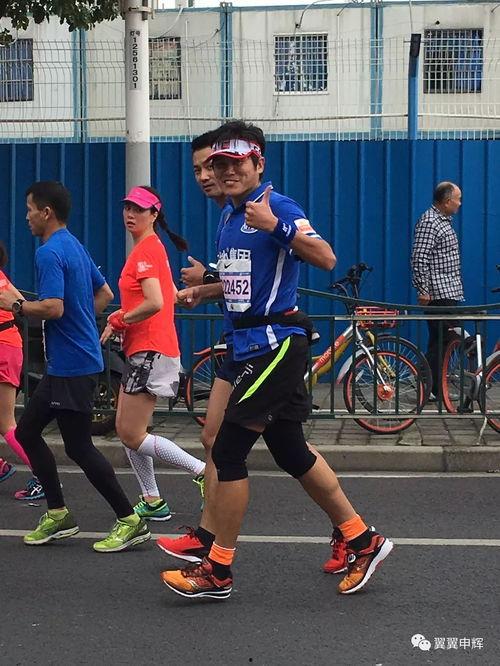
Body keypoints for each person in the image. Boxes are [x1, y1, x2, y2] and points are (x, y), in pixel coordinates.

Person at [160, 120, 393, 599]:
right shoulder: (230, 216)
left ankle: (217, 569)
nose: (224, 172)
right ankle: (361, 539)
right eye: (218, 164)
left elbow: (325, 257)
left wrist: (275, 226)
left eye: (235, 163)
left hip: (275, 344)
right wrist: (206, 290)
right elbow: (245, 284)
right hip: (250, 343)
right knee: (290, 451)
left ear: (258, 163)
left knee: (227, 452)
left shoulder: (276, 206)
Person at [0, 181, 150, 552]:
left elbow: (53, 307)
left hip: (71, 365)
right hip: (71, 363)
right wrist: (80, 322)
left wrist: (15, 306)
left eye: (30, 209)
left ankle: (130, 520)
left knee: (79, 447)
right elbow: (105, 294)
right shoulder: (74, 245)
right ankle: (58, 514)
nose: (27, 217)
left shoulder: (49, 252)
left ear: (46, 212)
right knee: (29, 432)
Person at [100, 185, 206, 521]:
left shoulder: (145, 251)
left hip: (150, 350)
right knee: (127, 430)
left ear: (154, 215)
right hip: (146, 349)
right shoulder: (153, 247)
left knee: (130, 433)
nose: (130, 214)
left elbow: (155, 302)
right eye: (127, 208)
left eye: (139, 209)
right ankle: (152, 499)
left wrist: (119, 319)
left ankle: (202, 472)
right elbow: (169, 295)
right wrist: (187, 296)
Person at [0, 241, 45, 498]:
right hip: (10, 345)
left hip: (3, 348)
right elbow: (21, 302)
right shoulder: (1, 276)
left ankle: (44, 476)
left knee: (6, 423)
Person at [411, 182, 464, 398]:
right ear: (447, 201)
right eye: (458, 199)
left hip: (448, 290)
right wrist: (423, 289)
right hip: (438, 292)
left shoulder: (442, 221)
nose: (460, 203)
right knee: (444, 339)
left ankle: (431, 386)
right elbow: (419, 257)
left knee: (441, 340)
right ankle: (427, 382)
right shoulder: (430, 221)